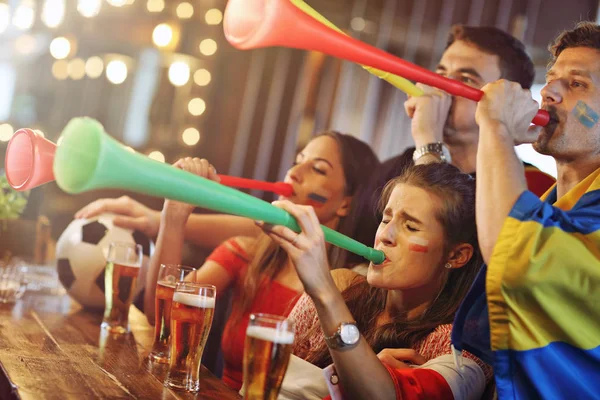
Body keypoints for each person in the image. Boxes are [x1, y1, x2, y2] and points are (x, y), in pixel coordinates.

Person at [145, 131, 379, 390]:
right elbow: (161, 321)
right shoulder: (246, 254)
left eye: (318, 169)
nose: (294, 172)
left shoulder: (351, 290)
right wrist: (174, 215)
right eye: (297, 160)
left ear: (345, 204)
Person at [452, 21, 600, 399]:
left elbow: (516, 257)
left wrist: (497, 128)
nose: (548, 92)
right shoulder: (552, 204)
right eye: (551, 79)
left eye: (577, 84)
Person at [263, 163, 491, 399]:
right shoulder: (342, 286)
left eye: (410, 226)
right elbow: (266, 376)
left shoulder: (452, 344)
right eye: (385, 220)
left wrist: (324, 291)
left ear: (456, 255)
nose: (385, 236)